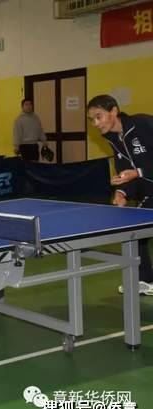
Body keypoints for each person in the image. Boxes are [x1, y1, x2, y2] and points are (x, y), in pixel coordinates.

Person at [87, 94, 153, 295]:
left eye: (99, 116)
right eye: (92, 119)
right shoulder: (114, 139)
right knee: (134, 233)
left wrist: (138, 172)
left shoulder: (143, 124)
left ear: (114, 111)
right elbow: (128, 174)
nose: (95, 124)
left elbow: (139, 171)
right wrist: (122, 191)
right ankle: (145, 280)